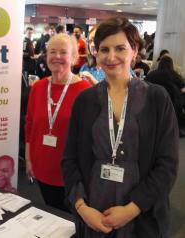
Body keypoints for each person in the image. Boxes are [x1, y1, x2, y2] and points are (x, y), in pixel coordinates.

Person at [62, 17, 179, 237]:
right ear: (96, 53)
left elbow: (168, 164)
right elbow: (69, 159)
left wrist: (130, 210)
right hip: (93, 211)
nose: (111, 56)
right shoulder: (85, 100)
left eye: (120, 48)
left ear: (134, 50)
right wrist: (82, 208)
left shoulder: (156, 98)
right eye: (104, 49)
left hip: (141, 215)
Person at [25, 33, 91, 211]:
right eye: (52, 51)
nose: (57, 56)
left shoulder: (85, 91)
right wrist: (29, 159)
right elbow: (30, 125)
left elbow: (90, 137)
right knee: (51, 211)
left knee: (71, 217)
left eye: (63, 52)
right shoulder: (38, 88)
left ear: (74, 57)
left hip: (70, 172)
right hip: (41, 165)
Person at [146, 55, 185, 136]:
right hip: (172, 105)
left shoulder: (151, 75)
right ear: (171, 64)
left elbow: (144, 87)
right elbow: (183, 88)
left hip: (152, 105)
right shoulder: (174, 75)